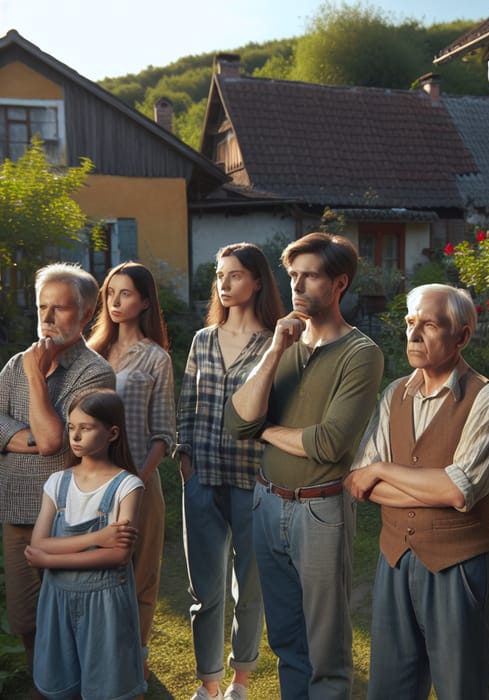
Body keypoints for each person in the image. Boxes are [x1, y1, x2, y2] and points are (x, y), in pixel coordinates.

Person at [227, 232, 384, 700]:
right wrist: (275, 350)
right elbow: (237, 420)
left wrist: (266, 430)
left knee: (326, 647)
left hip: (319, 510)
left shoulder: (362, 354)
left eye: (309, 276)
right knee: (286, 640)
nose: (296, 285)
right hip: (265, 501)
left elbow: (330, 444)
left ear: (339, 284)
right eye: (292, 275)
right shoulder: (283, 342)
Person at [345, 283, 489, 700]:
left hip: (459, 567)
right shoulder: (394, 393)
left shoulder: (487, 400)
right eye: (409, 323)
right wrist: (429, 486)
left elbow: (459, 490)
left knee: (463, 687)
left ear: (462, 336)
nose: (414, 334)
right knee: (390, 687)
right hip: (395, 559)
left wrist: (384, 470)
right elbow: (358, 482)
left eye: (430, 325)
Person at [0, 262, 115, 692]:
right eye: (41, 308)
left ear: (85, 315)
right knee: (26, 620)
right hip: (16, 511)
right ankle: (44, 687)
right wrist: (29, 436)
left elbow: (54, 442)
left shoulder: (94, 372)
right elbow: (44, 437)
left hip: (70, 517)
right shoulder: (16, 363)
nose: (46, 320)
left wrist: (35, 379)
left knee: (70, 618)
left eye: (59, 309)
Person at [176, 243, 284, 700]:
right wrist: (185, 461)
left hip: (252, 481)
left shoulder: (275, 343)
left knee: (251, 590)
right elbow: (187, 404)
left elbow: (279, 409)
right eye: (220, 275)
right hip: (201, 478)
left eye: (235, 275)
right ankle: (208, 683)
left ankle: (240, 681)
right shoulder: (203, 340)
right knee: (204, 592)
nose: (224, 283)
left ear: (257, 281)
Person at [25, 388, 145, 700]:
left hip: (106, 606)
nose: (75, 437)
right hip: (57, 601)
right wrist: (97, 539)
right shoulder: (57, 483)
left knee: (107, 687)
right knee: (59, 682)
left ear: (112, 433)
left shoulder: (128, 485)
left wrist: (48, 558)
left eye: (86, 428)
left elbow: (118, 554)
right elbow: (37, 543)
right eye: (71, 428)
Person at [88, 261, 176, 675]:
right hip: (89, 486)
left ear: (144, 302)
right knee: (94, 574)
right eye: (110, 293)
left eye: (126, 294)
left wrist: (135, 482)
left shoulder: (156, 358)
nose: (116, 301)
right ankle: (98, 656)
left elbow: (164, 432)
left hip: (139, 483)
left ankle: (134, 661)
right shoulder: (89, 354)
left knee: (141, 575)